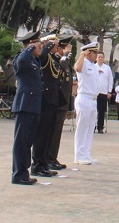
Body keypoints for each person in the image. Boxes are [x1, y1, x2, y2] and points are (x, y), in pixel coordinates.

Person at [10, 32, 43, 185]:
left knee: (27, 142)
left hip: (33, 106)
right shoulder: (21, 58)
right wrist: (29, 48)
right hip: (25, 105)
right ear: (31, 45)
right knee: (21, 142)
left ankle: (24, 172)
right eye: (38, 45)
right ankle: (18, 174)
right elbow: (21, 61)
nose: (40, 48)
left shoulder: (34, 61)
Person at [32, 35, 62, 177]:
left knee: (48, 134)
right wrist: (48, 44)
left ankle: (44, 163)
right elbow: (42, 56)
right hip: (45, 99)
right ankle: (37, 165)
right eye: (55, 45)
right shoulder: (44, 57)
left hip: (53, 100)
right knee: (41, 135)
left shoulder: (53, 58)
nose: (57, 47)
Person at [47, 37, 74, 171]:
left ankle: (53, 157)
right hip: (56, 101)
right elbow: (59, 71)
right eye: (65, 47)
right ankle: (49, 158)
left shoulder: (60, 60)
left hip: (62, 100)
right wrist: (66, 55)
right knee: (52, 131)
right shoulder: (54, 60)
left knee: (57, 132)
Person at [73, 41, 101, 165]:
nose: (96, 55)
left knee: (90, 128)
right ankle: (79, 155)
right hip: (84, 98)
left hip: (93, 99)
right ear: (89, 53)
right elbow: (77, 68)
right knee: (82, 128)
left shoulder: (94, 66)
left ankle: (86, 154)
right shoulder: (83, 62)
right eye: (94, 53)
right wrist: (82, 55)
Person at [95, 52, 114, 134]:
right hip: (94, 92)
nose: (100, 58)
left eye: (101, 57)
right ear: (96, 58)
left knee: (101, 111)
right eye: (98, 57)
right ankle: (92, 127)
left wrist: (109, 91)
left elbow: (110, 80)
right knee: (93, 111)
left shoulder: (107, 68)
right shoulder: (93, 67)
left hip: (103, 92)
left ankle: (100, 127)